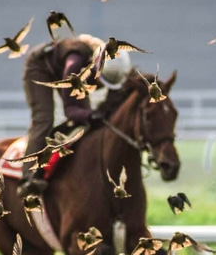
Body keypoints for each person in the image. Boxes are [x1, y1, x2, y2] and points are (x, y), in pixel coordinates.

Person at [19, 34, 132, 197]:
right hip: (40, 68)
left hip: (62, 68)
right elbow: (70, 110)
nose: (98, 86)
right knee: (44, 120)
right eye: (101, 81)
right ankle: (28, 179)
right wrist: (93, 115)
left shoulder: (97, 66)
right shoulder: (75, 64)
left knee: (85, 122)